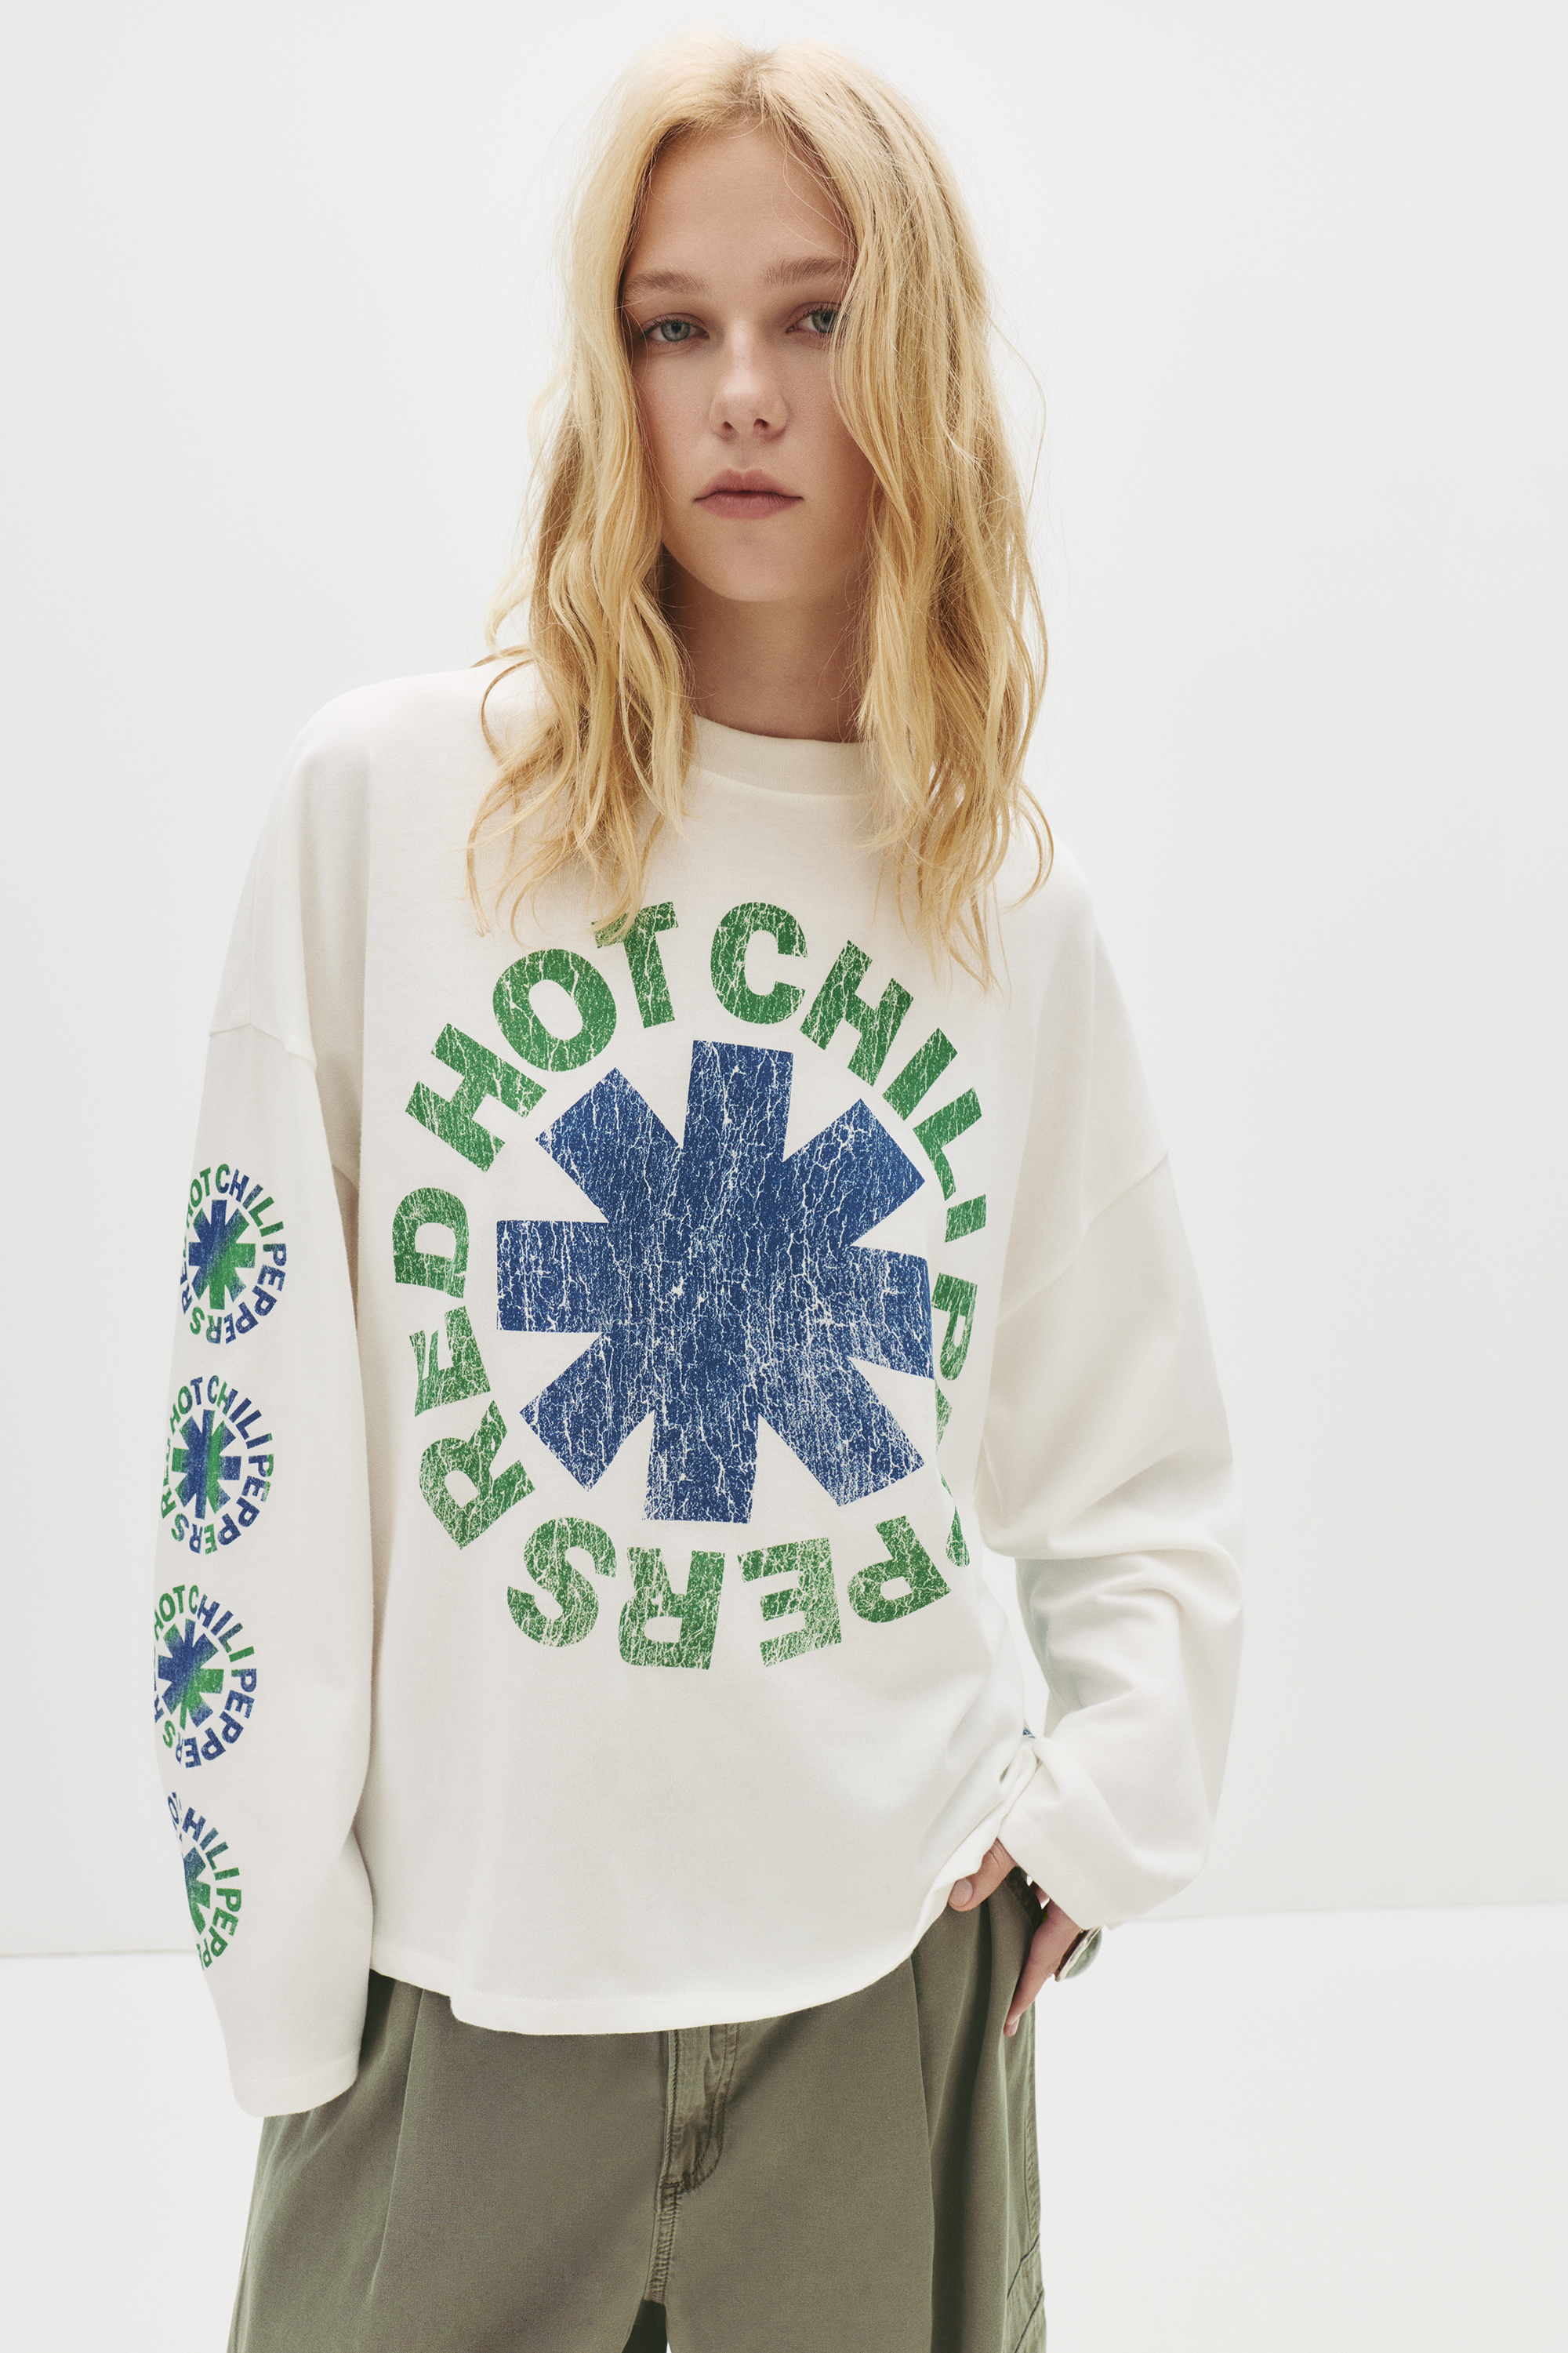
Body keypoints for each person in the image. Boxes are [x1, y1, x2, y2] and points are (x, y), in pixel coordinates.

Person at [152, 34, 1243, 2353]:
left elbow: (1138, 1468)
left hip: (880, 1995)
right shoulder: (396, 813)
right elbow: (255, 1431)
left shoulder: (1004, 919)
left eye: (817, 315)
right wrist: (280, 1970)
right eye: (674, 324)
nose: (743, 390)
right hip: (453, 2007)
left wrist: (1101, 1811)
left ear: (919, 358)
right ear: (609, 366)